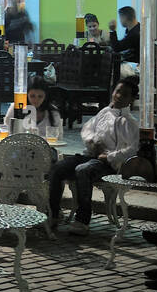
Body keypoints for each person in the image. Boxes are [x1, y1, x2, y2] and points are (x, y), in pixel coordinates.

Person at [47, 79, 139, 235]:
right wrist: (93, 141)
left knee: (83, 170)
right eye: (117, 91)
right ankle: (53, 214)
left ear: (131, 99)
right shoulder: (104, 112)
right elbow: (86, 129)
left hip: (109, 165)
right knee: (58, 168)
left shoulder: (130, 123)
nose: (118, 96)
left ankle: (82, 220)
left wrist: (109, 156)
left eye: (124, 94)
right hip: (91, 155)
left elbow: (132, 149)